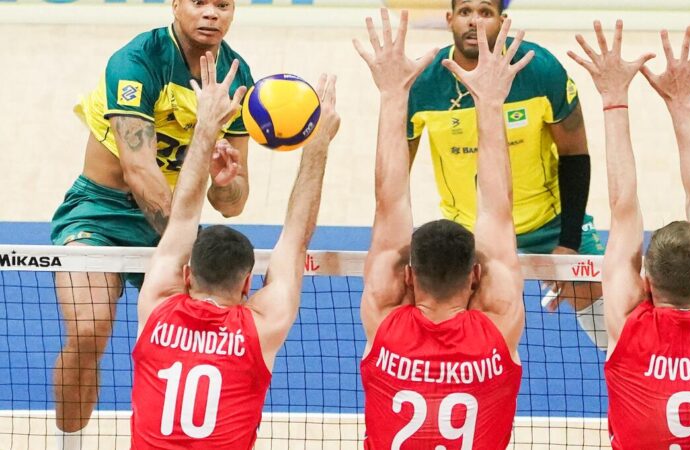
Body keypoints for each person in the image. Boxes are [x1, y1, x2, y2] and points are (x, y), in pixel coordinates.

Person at [50, 1, 255, 445]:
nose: (211, 14)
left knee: (208, 336)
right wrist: (185, 248)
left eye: (223, 4)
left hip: (177, 219)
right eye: (199, 2)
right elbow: (140, 173)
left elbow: (234, 203)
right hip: (101, 215)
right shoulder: (136, 61)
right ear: (176, 4)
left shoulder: (237, 78)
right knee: (88, 330)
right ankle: (67, 440)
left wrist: (225, 181)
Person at [129, 52, 339, 448]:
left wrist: (205, 126)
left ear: (187, 276)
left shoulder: (157, 306)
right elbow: (295, 240)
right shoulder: (260, 328)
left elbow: (182, 218)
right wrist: (318, 144)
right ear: (247, 284)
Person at [568, 21, 690, 448]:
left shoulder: (627, 325)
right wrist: (681, 104)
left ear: (646, 282)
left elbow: (623, 208)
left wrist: (614, 100)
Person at [354, 9, 531, 448]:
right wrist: (490, 103)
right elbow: (497, 209)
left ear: (408, 277)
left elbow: (388, 203)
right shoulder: (497, 327)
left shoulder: (386, 322)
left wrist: (393, 95)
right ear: (476, 276)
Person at [407, 0, 607, 348]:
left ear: (503, 21)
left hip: (551, 222)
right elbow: (396, 174)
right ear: (449, 18)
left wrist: (569, 243)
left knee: (615, 328)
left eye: (485, 12)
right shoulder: (424, 84)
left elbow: (574, 154)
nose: (474, 22)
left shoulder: (540, 70)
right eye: (465, 11)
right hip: (469, 233)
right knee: (455, 341)